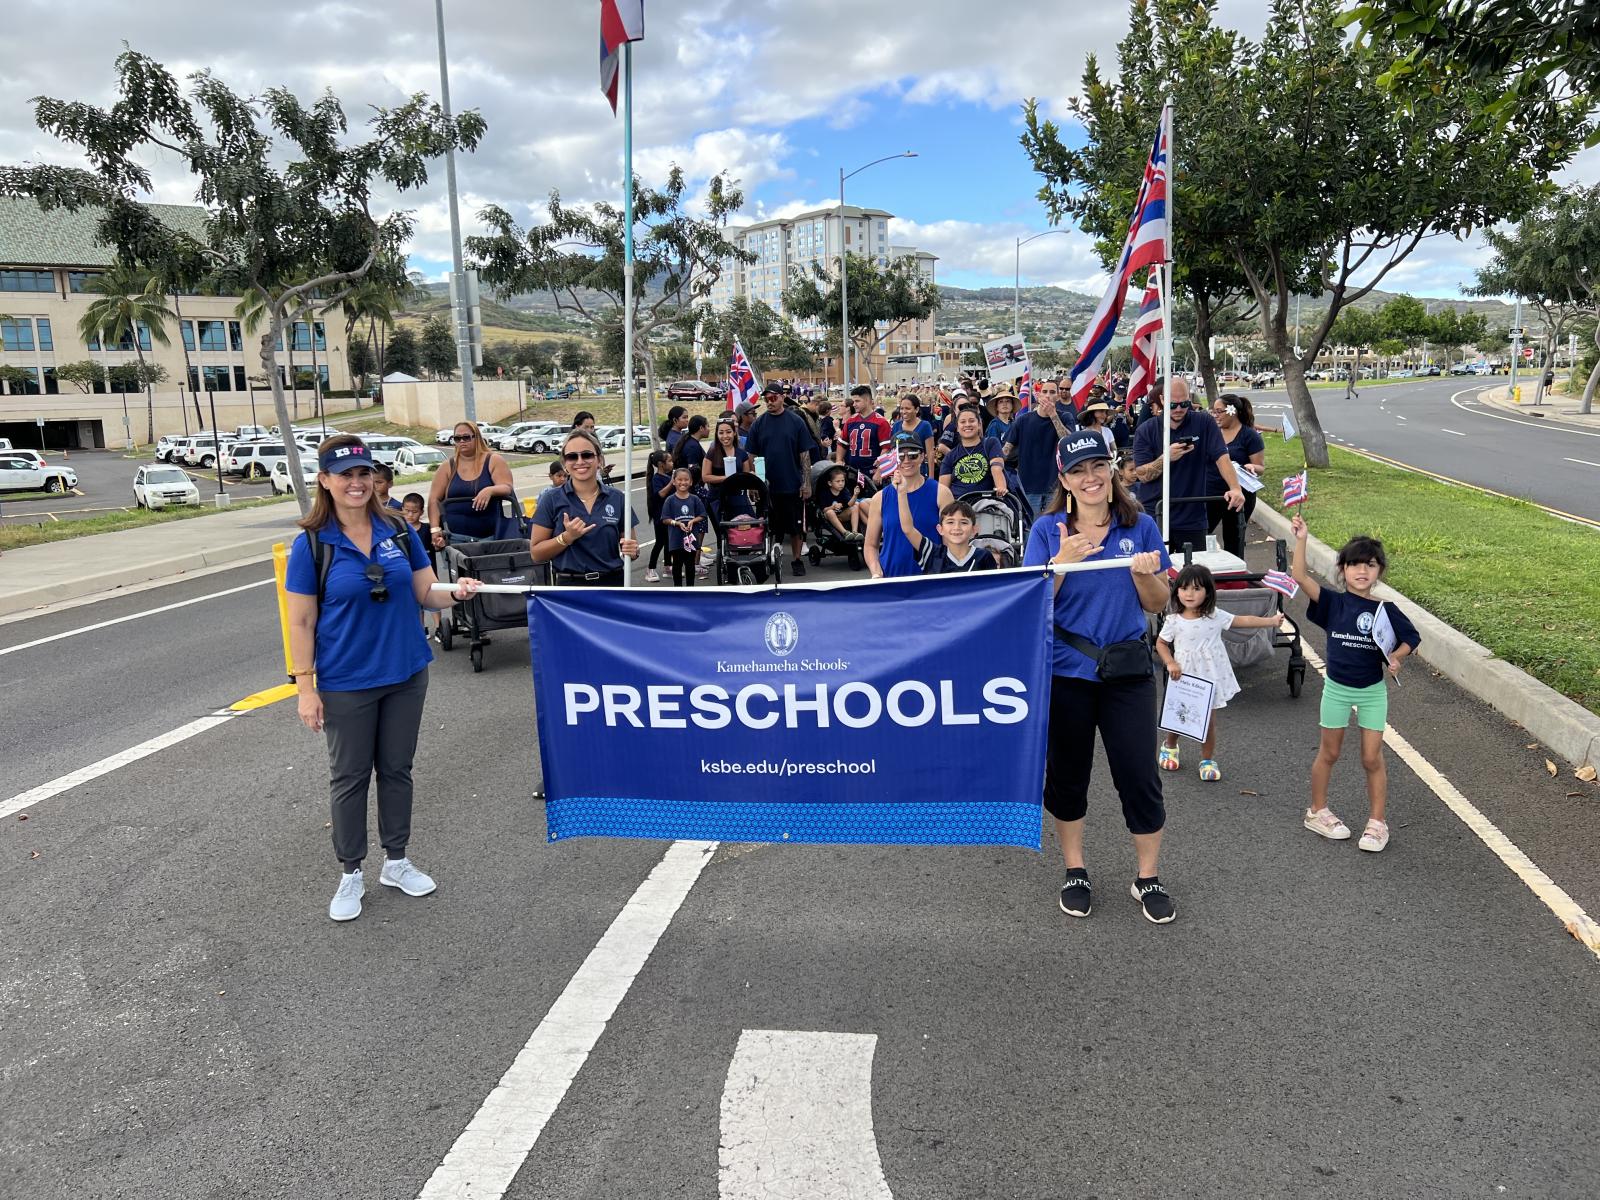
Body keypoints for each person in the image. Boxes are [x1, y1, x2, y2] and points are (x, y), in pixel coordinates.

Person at [285, 436, 481, 922]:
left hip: (405, 673)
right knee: (349, 777)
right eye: (344, 474)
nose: (356, 483)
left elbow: (424, 592)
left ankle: (397, 860)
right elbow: (301, 622)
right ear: (325, 481)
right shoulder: (311, 544)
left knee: (397, 770)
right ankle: (351, 870)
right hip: (346, 681)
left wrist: (455, 594)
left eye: (363, 473)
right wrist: (305, 688)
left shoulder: (397, 529)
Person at [1021, 430, 1176, 925]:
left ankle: (1147, 876)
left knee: (1138, 774)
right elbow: (1030, 601)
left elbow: (1159, 604)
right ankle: (1075, 869)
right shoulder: (1048, 531)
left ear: (1111, 472)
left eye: (1097, 467)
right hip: (1066, 674)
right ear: (1064, 480)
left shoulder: (1142, 525)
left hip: (1127, 672)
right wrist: (1058, 565)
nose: (1089, 478)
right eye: (1078, 471)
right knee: (1068, 776)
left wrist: (1143, 575)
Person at [1291, 515, 1420, 853]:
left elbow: (1410, 639)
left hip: (1372, 692)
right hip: (1336, 688)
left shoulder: (1385, 610)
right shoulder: (1334, 602)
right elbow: (1299, 576)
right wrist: (1302, 538)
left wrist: (1397, 657)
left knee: (1371, 757)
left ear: (1379, 572)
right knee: (1329, 752)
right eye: (1355, 565)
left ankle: (1377, 823)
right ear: (1342, 568)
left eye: (1371, 565)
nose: (1362, 571)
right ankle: (1316, 811)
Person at [1155, 563, 1286, 781]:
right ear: (1176, 590)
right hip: (1184, 678)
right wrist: (1170, 662)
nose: (1189, 594)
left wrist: (1270, 621)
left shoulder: (1214, 616)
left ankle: (1207, 759)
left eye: (1197, 589)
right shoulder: (1173, 620)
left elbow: (1243, 620)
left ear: (1207, 592)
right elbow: (1160, 643)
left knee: (1208, 720)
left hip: (1209, 677)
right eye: (1184, 588)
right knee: (1179, 715)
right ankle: (1170, 745)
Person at [1129, 377, 1244, 553]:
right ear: (1161, 400)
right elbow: (1142, 474)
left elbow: (1222, 457)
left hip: (1192, 514)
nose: (1179, 410)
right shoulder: (1146, 430)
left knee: (1193, 573)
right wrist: (1165, 457)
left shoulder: (1203, 422)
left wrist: (1235, 487)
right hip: (1156, 513)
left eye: (1184, 404)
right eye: (1173, 405)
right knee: (1156, 573)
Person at [530, 429, 641, 585]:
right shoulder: (551, 499)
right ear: (564, 464)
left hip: (612, 586)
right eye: (572, 456)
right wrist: (566, 537)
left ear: (600, 460)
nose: (580, 461)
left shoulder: (618, 498)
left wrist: (633, 551)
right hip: (570, 590)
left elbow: (633, 549)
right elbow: (536, 554)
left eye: (587, 455)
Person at [744, 382, 819, 576]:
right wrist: (753, 483)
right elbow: (751, 456)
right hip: (766, 487)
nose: (769, 402)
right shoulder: (758, 424)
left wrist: (806, 483)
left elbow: (805, 455)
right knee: (767, 525)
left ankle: (796, 560)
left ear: (782, 397)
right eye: (766, 399)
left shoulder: (796, 422)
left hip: (792, 484)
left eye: (773, 398)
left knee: (795, 528)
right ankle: (767, 557)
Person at [865, 434, 952, 578]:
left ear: (923, 456)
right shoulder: (880, 498)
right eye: (900, 456)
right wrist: (876, 572)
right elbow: (870, 545)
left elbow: (949, 543)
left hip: (930, 578)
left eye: (912, 455)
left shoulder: (941, 493)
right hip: (891, 577)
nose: (906, 461)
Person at [427, 421, 515, 548]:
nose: (462, 441)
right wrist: (435, 529)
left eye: (466, 437)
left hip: (489, 538)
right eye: (457, 438)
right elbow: (434, 499)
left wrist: (490, 490)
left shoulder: (493, 460)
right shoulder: (447, 467)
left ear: (477, 437)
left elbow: (507, 487)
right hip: (454, 538)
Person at [1206, 393, 1265, 558]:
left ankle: (1235, 576)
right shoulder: (1212, 433)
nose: (1215, 415)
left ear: (1233, 411)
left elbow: (1261, 467)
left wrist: (1252, 467)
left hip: (1239, 497)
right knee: (1200, 532)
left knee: (1234, 539)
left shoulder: (1250, 436)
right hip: (1211, 494)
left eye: (1219, 411)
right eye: (1213, 411)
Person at [1003, 381, 1074, 515]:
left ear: (1058, 397)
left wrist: (1053, 415)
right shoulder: (1022, 420)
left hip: (1056, 486)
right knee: (1030, 528)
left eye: (1052, 392)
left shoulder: (1065, 417)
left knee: (1055, 527)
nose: (1048, 396)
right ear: (1038, 396)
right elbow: (1006, 450)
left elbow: (1068, 442)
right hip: (1028, 486)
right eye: (1044, 392)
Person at [907, 499, 997, 574]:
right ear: (940, 529)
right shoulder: (932, 554)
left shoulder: (984, 557)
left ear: (974, 530)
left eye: (964, 522)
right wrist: (901, 493)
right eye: (950, 522)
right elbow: (908, 529)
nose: (957, 527)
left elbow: (993, 590)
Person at [939, 408, 1008, 499]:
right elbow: (943, 489)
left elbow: (997, 467)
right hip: (959, 505)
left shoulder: (991, 443)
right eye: (963, 422)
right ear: (957, 428)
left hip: (986, 503)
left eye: (972, 421)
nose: (967, 425)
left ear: (979, 425)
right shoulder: (950, 456)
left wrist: (1001, 487)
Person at [662, 468, 708, 587]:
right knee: (677, 565)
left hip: (691, 539)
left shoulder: (694, 499)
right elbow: (665, 518)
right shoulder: (670, 500)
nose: (683, 482)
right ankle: (678, 590)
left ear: (691, 482)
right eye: (680, 480)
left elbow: (702, 515)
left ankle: (690, 589)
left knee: (690, 565)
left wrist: (693, 520)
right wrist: (677, 523)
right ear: (674, 482)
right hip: (676, 539)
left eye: (686, 479)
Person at [837, 385, 893, 478]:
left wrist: (879, 471)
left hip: (871, 473)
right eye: (853, 401)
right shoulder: (850, 421)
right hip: (852, 472)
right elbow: (842, 443)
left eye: (857, 401)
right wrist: (839, 460)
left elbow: (886, 448)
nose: (854, 404)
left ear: (867, 400)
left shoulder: (881, 422)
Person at [813, 463, 866, 541]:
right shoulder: (825, 493)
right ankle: (845, 532)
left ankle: (855, 532)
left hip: (841, 515)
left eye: (843, 481)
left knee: (855, 506)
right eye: (838, 481)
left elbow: (849, 504)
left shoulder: (844, 491)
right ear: (830, 483)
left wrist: (855, 495)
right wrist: (833, 507)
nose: (841, 483)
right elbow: (824, 510)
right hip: (829, 516)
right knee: (830, 512)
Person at [644, 449, 674, 583]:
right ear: (661, 464)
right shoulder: (657, 478)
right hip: (660, 516)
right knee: (660, 542)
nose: (672, 463)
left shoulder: (667, 477)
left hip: (669, 515)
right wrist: (672, 482)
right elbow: (660, 494)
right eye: (670, 461)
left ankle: (668, 567)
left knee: (669, 542)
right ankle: (650, 569)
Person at [892, 393, 936, 477]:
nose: (904, 412)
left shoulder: (925, 426)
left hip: (920, 473)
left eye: (908, 408)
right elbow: (893, 452)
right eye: (901, 408)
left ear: (916, 409)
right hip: (900, 474)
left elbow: (930, 453)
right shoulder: (896, 426)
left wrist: (931, 477)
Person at [671, 413, 709, 484]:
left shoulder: (691, 442)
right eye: (707, 426)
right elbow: (692, 470)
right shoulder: (692, 446)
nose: (709, 429)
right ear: (701, 428)